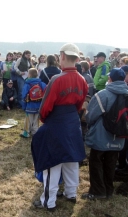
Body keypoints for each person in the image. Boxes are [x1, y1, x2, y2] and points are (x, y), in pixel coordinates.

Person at [31, 43, 88, 211]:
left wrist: (46, 120)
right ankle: (71, 194)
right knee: (71, 159)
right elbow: (80, 104)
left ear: (62, 56)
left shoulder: (57, 79)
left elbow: (45, 107)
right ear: (77, 58)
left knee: (52, 163)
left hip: (56, 122)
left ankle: (48, 201)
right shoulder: (82, 80)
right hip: (72, 121)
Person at [83, 68, 128, 200]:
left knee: (96, 162)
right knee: (111, 163)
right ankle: (108, 189)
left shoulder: (103, 95)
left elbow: (91, 116)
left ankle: (98, 191)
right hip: (120, 136)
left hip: (101, 136)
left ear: (110, 79)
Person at [20, 68, 46, 138]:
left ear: (30, 75)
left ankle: (26, 132)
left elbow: (24, 95)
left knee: (29, 119)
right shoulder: (41, 83)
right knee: (36, 119)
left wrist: (24, 105)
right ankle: (35, 131)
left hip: (30, 105)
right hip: (39, 105)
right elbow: (46, 91)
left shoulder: (27, 84)